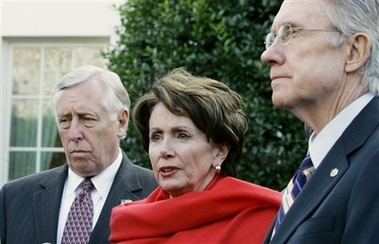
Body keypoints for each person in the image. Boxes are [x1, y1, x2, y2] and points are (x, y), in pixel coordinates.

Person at [109, 68, 281, 243]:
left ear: (219, 151)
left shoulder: (263, 218)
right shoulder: (131, 223)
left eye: (182, 135)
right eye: (156, 137)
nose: (164, 150)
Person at [261, 0, 379, 243]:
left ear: (354, 51)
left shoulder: (375, 159)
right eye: (272, 37)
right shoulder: (315, 167)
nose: (268, 55)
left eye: (290, 32)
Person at [0, 65, 158, 244]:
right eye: (65, 120)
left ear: (121, 122)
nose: (73, 134)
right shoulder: (14, 198)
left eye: (87, 119)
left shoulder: (159, 194)